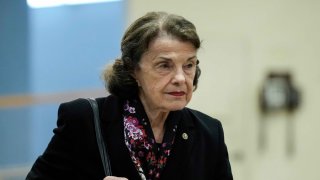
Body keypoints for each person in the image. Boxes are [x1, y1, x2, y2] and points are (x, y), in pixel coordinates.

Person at [26, 11, 233, 180]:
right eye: (164, 65)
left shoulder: (209, 132)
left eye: (189, 65)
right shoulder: (85, 120)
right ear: (133, 70)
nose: (181, 77)